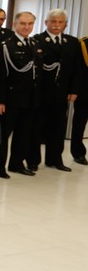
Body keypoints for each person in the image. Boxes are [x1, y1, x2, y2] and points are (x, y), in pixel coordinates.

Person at [0, 11, 42, 178]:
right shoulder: (5, 45)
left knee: (24, 133)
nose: (27, 27)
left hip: (30, 99)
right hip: (10, 98)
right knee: (4, 135)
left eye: (30, 24)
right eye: (23, 24)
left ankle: (16, 164)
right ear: (15, 25)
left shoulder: (34, 44)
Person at [31, 9, 79, 171]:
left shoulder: (72, 42)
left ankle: (55, 160)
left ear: (65, 24)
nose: (57, 25)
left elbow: (75, 69)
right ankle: (33, 161)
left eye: (60, 22)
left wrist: (74, 90)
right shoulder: (37, 40)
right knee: (37, 127)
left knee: (58, 128)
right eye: (53, 22)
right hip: (42, 93)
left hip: (61, 94)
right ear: (46, 23)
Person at [72, 34, 88, 166]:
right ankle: (78, 152)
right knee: (80, 123)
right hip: (86, 91)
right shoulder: (84, 43)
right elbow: (78, 70)